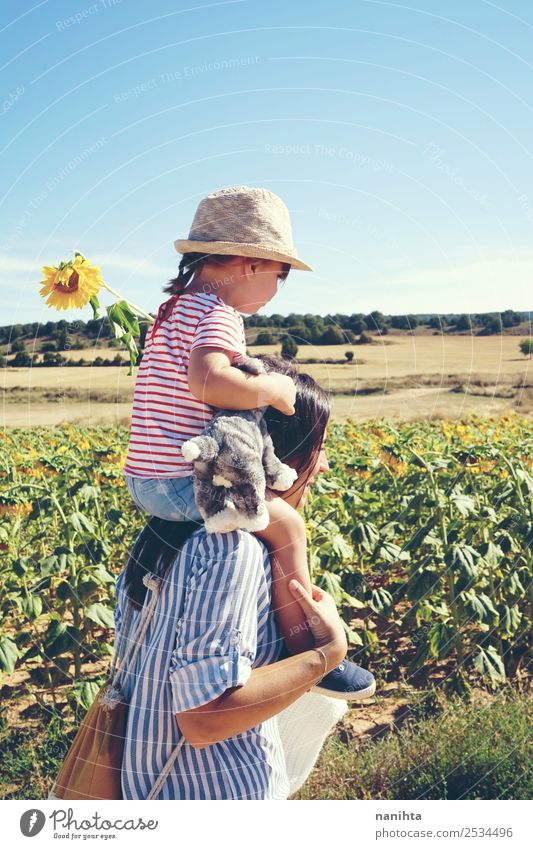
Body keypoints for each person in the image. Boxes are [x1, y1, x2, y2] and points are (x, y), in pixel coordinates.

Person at [122, 185, 369, 697]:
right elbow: (207, 382)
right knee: (287, 528)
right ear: (250, 262)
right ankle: (306, 646)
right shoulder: (217, 314)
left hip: (145, 479)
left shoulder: (172, 311)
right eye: (279, 276)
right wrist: (270, 388)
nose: (277, 290)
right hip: (179, 480)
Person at [114, 356, 376, 799]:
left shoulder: (168, 530)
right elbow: (204, 717)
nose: (325, 465)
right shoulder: (231, 551)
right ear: (276, 453)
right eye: (320, 447)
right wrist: (327, 655)